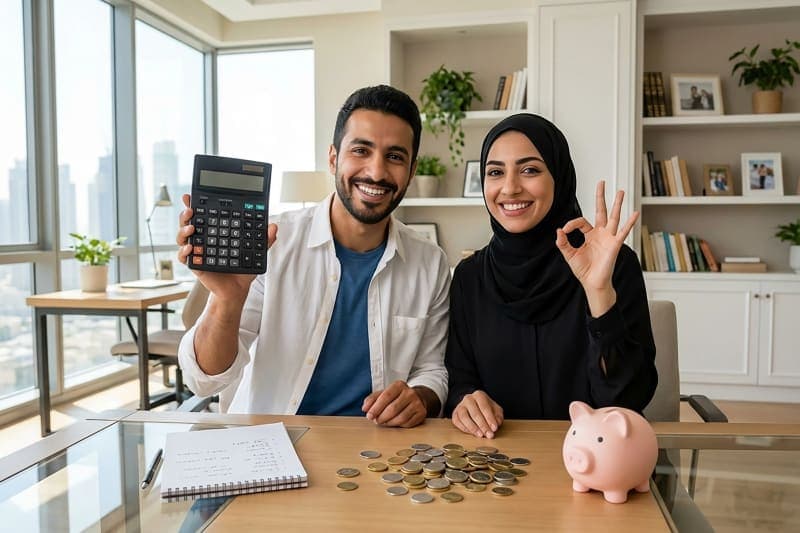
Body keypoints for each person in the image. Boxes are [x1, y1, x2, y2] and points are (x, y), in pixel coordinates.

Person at [176, 85, 450, 428]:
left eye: (395, 156)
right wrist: (227, 299)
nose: (377, 172)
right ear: (333, 158)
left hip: (378, 450)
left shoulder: (430, 263)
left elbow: (431, 368)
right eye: (361, 150)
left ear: (411, 171)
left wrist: (420, 397)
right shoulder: (273, 243)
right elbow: (205, 380)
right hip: (268, 443)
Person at [444, 113, 657, 438]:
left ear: (559, 177)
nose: (510, 188)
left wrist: (598, 292)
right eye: (496, 172)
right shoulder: (469, 278)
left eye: (530, 170)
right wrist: (465, 400)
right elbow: (460, 380)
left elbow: (626, 402)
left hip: (596, 463)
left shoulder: (613, 265)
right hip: (496, 464)